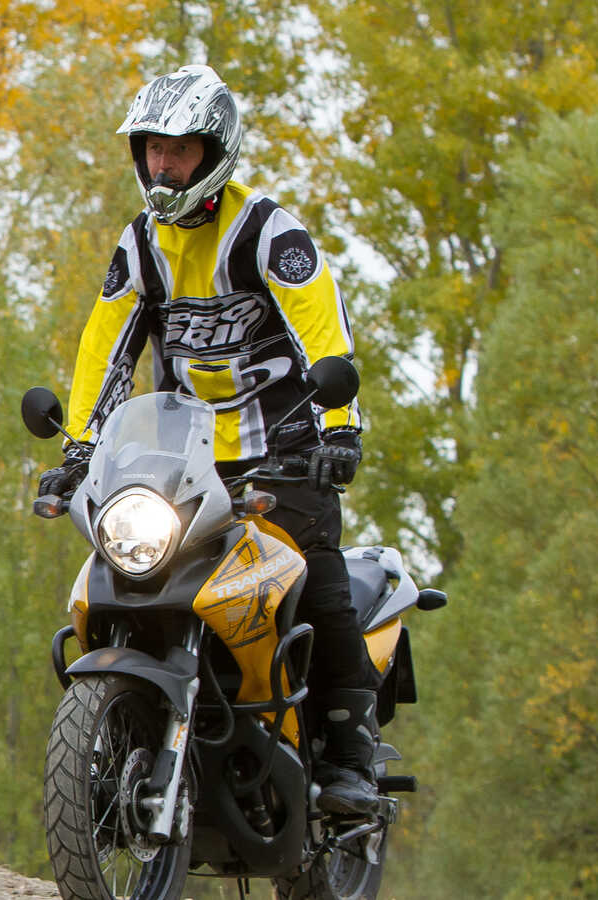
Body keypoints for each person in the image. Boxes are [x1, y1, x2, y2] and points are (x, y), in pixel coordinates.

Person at [40, 64, 380, 816]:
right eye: (153, 149)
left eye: (180, 151)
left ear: (214, 151)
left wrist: (339, 428)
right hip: (179, 462)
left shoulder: (267, 231)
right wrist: (76, 449)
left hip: (286, 454)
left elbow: (321, 325)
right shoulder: (140, 244)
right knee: (131, 572)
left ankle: (352, 756)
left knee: (314, 578)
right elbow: (106, 348)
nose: (163, 164)